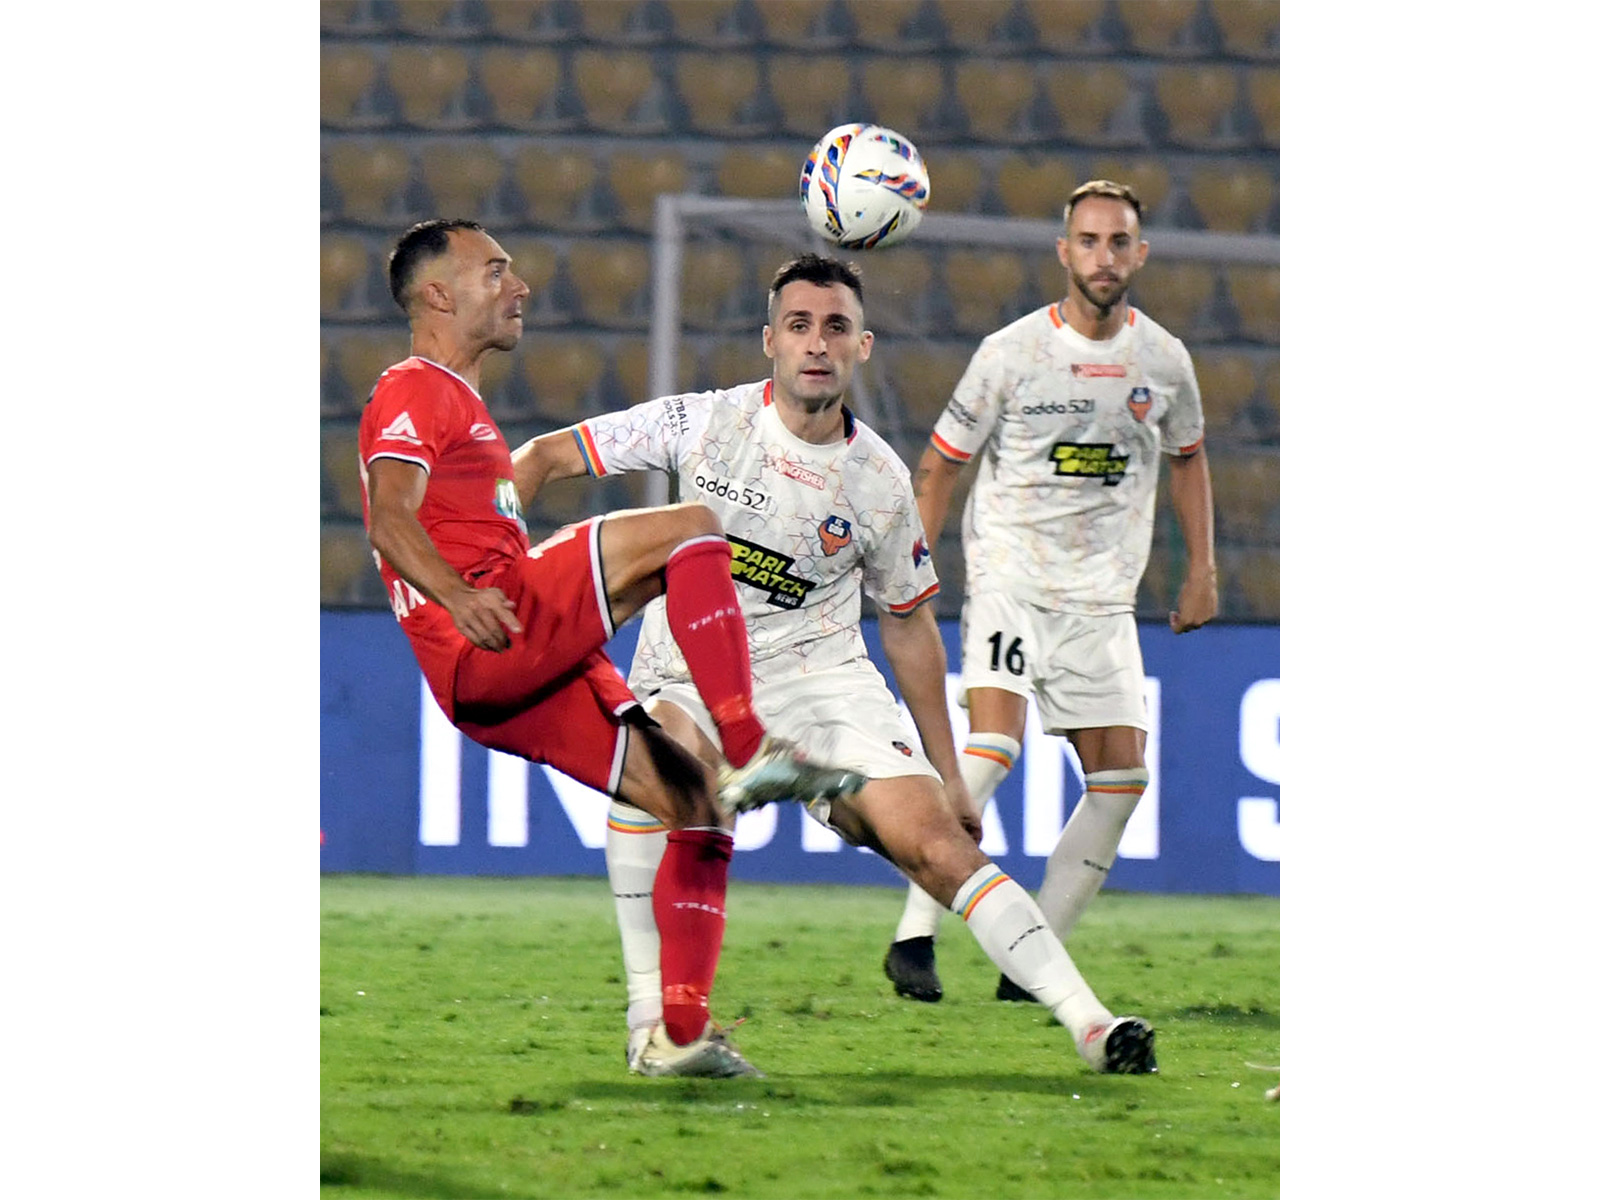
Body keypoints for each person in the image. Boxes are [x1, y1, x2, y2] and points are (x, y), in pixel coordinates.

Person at [512, 253, 1158, 1075]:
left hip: (825, 684)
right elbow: (544, 457)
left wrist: (949, 774)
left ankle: (1094, 1027)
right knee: (678, 779)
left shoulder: (880, 482)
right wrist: (493, 542)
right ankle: (658, 1032)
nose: (817, 343)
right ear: (770, 344)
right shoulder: (702, 423)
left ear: (863, 347)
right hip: (692, 673)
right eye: (799, 325)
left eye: (836, 328)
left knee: (936, 847)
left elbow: (911, 627)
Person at [356, 219, 865, 1079]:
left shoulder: (463, 408)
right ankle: (751, 743)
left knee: (693, 804)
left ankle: (676, 1037)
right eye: (496, 270)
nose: (518, 287)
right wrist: (459, 594)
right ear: (438, 294)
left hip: (499, 676)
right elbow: (388, 512)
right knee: (694, 529)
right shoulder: (416, 389)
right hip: (493, 628)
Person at [881, 179, 1219, 1004]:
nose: (1104, 256)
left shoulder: (1163, 361)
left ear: (1139, 254)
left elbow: (1190, 458)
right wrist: (913, 572)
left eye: (1119, 242)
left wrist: (1200, 568)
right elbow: (942, 463)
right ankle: (912, 937)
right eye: (1089, 241)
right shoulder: (1012, 353)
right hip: (1013, 578)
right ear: (1063, 252)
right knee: (995, 746)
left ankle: (1026, 965)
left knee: (1122, 781)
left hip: (1101, 600)